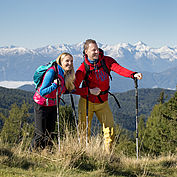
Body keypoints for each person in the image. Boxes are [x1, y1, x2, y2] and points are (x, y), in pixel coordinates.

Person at [74, 39, 142, 153]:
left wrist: (133, 74)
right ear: (86, 51)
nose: (96, 52)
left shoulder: (106, 61)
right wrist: (89, 91)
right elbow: (73, 89)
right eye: (93, 50)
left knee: (110, 130)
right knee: (84, 132)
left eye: (97, 49)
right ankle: (84, 155)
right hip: (86, 102)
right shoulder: (82, 69)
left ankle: (107, 156)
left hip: (103, 103)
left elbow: (119, 69)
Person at [32, 52, 75, 149]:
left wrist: (87, 91)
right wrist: (54, 85)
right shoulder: (52, 72)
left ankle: (46, 153)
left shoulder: (65, 74)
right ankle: (29, 154)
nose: (70, 63)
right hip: (41, 104)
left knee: (49, 132)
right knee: (40, 134)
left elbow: (63, 89)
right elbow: (43, 91)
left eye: (71, 61)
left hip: (53, 104)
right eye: (67, 61)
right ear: (60, 62)